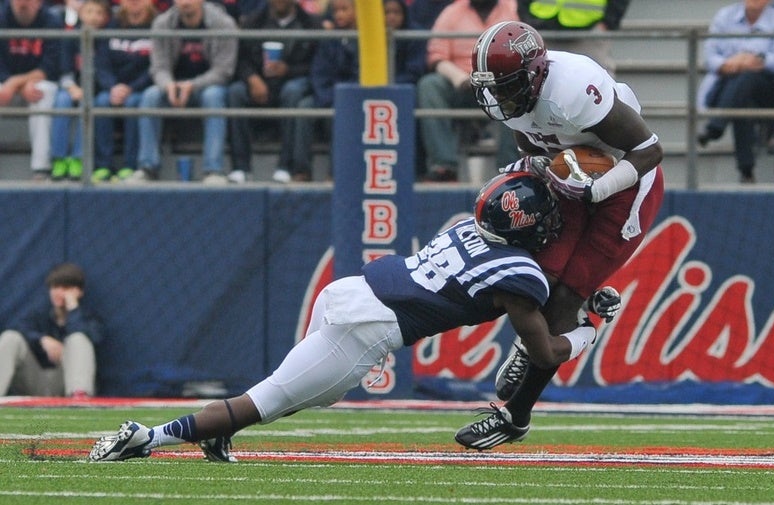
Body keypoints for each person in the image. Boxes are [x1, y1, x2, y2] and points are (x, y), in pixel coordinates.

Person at [87, 172, 620, 462]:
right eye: (545, 218)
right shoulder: (518, 275)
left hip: (349, 289)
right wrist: (589, 329)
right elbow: (545, 352)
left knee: (301, 393)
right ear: (525, 229)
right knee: (268, 400)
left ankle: (217, 434)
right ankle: (144, 438)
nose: (553, 225)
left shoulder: (468, 229)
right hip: (367, 327)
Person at [458, 21, 664, 450]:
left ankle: (515, 417)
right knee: (531, 279)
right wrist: (533, 171)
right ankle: (544, 336)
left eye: (505, 84)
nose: (497, 96)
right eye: (491, 86)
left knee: (564, 301)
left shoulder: (574, 86)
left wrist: (596, 188)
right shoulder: (514, 95)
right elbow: (535, 145)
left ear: (533, 74)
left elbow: (650, 150)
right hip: (570, 177)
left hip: (624, 184)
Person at [129, 0, 238, 184]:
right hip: (173, 87)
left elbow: (223, 70)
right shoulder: (163, 23)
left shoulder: (223, 23)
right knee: (150, 96)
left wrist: (192, 85)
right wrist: (168, 85)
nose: (185, 1)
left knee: (214, 96)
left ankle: (213, 170)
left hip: (206, 86)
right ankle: (147, 167)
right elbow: (159, 67)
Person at [416, 0, 520, 182]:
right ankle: (444, 166)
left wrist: (500, 79)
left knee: (517, 93)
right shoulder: (451, 12)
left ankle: (509, 169)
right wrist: (459, 78)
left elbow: (524, 50)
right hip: (462, 83)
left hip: (500, 83)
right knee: (429, 85)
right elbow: (436, 56)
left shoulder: (513, 8)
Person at [695, 0, 774, 184]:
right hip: (725, 85)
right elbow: (710, 56)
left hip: (765, 90)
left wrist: (755, 59)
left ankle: (716, 126)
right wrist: (730, 64)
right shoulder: (724, 16)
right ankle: (746, 171)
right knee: (743, 100)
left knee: (748, 77)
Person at [226, 0, 320, 184]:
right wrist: (252, 78)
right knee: (235, 92)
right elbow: (241, 60)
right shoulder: (253, 22)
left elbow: (316, 66)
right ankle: (241, 168)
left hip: (293, 81)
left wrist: (289, 70)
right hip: (260, 83)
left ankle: (285, 165)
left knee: (293, 92)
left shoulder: (311, 24)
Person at [0, 263, 106, 397]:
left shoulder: (90, 319)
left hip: (67, 383)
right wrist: (42, 340)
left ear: (78, 291)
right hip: (36, 381)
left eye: (65, 288)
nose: (59, 292)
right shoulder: (39, 316)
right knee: (10, 337)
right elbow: (18, 328)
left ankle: (79, 398)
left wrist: (73, 308)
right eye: (55, 287)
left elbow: (96, 338)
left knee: (78, 339)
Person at [289, 0, 357, 182]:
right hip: (326, 95)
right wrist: (327, 96)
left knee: (340, 113)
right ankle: (301, 170)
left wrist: (341, 97)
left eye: (344, 9)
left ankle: (335, 174)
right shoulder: (329, 39)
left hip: (350, 97)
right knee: (304, 107)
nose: (339, 15)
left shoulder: (365, 40)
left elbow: (360, 75)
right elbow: (318, 72)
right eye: (336, 10)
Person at [92, 0, 157, 183]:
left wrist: (132, 88)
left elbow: (155, 67)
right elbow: (101, 65)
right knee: (100, 103)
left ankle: (131, 165)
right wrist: (113, 86)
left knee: (135, 103)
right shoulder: (111, 26)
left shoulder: (156, 26)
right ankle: (103, 166)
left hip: (140, 88)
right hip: (113, 88)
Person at [0, 0, 62, 181]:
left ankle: (40, 168)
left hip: (35, 81)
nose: (24, 3)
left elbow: (50, 66)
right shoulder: (2, 17)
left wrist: (17, 83)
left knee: (42, 93)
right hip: (6, 81)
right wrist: (11, 84)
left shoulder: (51, 20)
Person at [49, 0, 110, 182]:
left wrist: (88, 90)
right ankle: (58, 159)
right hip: (70, 86)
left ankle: (78, 159)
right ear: (81, 14)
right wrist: (72, 87)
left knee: (88, 103)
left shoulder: (106, 40)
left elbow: (106, 72)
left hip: (95, 90)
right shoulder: (70, 36)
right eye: (89, 11)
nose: (93, 17)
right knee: (61, 101)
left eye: (99, 13)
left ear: (105, 18)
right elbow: (64, 68)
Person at [516, 0, 629, 76]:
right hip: (540, 26)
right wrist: (524, 14)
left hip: (589, 31)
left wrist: (609, 21)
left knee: (595, 87)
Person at [384, 0, 427, 85]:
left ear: (404, 14)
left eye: (396, 12)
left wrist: (389, 84)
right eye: (387, 12)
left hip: (408, 87)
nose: (392, 17)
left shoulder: (415, 35)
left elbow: (415, 72)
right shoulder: (370, 37)